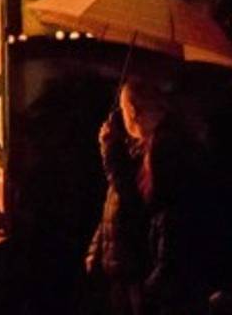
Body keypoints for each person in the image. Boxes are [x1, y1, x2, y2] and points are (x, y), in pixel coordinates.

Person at [85, 79, 210, 315]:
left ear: (132, 111)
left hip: (144, 272)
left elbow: (136, 203)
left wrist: (111, 152)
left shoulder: (165, 149)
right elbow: (115, 201)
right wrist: (97, 248)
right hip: (133, 269)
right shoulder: (144, 147)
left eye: (122, 110)